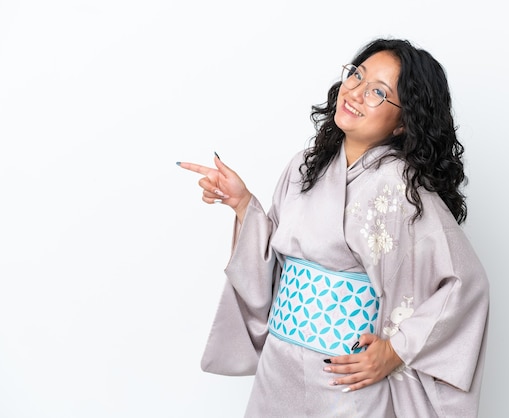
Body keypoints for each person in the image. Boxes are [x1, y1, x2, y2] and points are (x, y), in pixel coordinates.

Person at [178, 37, 489, 417]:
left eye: (378, 91)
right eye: (356, 75)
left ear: (403, 122)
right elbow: (271, 269)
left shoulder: (401, 188)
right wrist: (242, 203)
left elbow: (464, 281)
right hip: (280, 366)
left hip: (348, 378)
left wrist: (395, 351)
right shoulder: (305, 165)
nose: (355, 92)